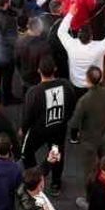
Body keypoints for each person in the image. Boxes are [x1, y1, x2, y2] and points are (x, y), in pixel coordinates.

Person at [20, 58, 72, 194]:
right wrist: (64, 120)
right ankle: (55, 183)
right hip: (58, 129)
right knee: (55, 154)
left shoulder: (34, 92)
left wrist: (23, 129)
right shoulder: (66, 85)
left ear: (39, 71)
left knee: (26, 152)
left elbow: (27, 115)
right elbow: (72, 105)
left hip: (38, 131)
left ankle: (33, 179)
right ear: (55, 69)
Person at [68, 65, 105, 179]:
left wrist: (75, 135)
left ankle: (91, 190)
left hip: (89, 139)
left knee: (89, 169)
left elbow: (74, 123)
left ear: (88, 80)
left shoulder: (84, 100)